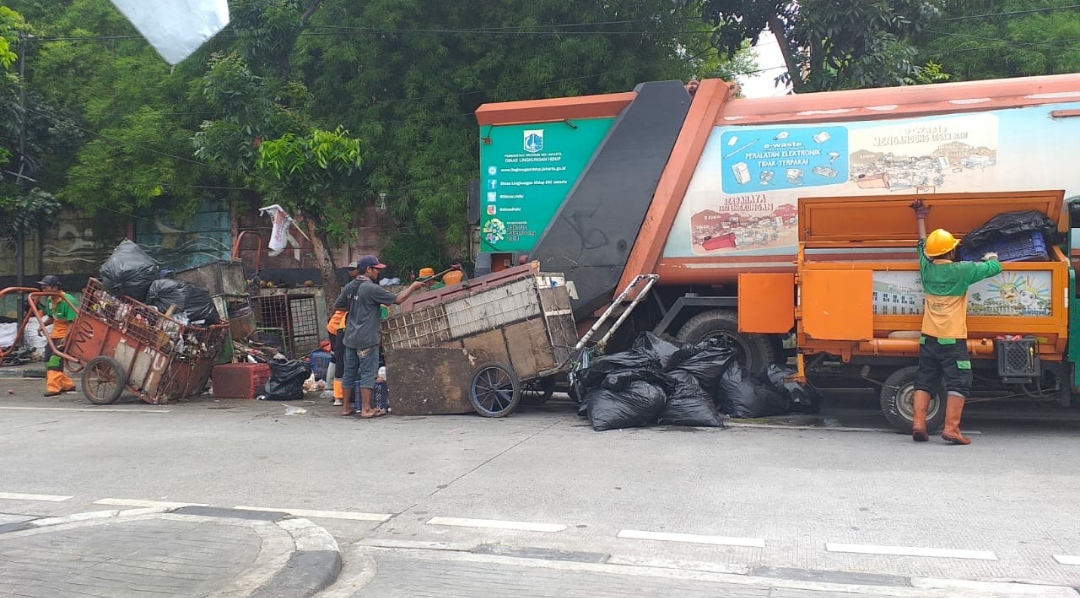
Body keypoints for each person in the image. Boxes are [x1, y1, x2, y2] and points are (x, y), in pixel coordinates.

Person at [910, 199, 1002, 445]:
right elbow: (994, 267)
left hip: (927, 336)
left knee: (924, 379)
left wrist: (920, 217)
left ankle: (918, 424)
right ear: (951, 251)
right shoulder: (963, 270)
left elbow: (921, 245)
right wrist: (992, 256)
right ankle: (951, 429)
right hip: (952, 339)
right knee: (959, 382)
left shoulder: (925, 268)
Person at [333, 255, 427, 417]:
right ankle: (366, 409)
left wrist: (356, 308)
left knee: (349, 372)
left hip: (350, 337)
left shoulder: (350, 286)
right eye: (376, 269)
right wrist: (413, 287)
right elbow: (397, 300)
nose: (378, 272)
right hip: (367, 338)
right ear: (368, 269)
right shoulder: (371, 288)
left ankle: (345, 408)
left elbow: (338, 305)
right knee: (368, 373)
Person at [35, 275, 78, 397]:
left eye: (46, 286)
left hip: (66, 334)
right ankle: (66, 384)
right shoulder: (50, 300)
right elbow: (51, 317)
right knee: (48, 359)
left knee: (55, 360)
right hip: (55, 334)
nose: (43, 289)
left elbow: (72, 322)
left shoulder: (67, 300)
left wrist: (65, 338)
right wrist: (41, 326)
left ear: (55, 287)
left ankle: (53, 389)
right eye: (42, 287)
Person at [327, 261, 361, 406]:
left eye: (354, 269)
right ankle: (337, 395)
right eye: (350, 269)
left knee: (342, 360)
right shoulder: (352, 287)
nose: (351, 272)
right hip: (340, 328)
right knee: (339, 359)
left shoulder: (355, 286)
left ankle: (339, 394)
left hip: (343, 327)